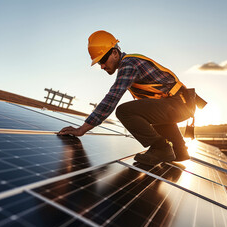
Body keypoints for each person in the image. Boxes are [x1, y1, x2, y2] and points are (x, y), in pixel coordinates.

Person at [58, 30, 198, 166]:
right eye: (99, 63)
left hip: (178, 104)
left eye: (103, 61)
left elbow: (112, 98)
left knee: (125, 111)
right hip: (181, 105)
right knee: (146, 110)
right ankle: (179, 151)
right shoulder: (129, 64)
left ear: (114, 53)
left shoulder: (128, 65)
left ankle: (161, 148)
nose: (102, 66)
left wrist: (82, 129)